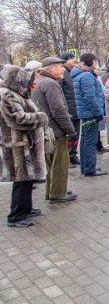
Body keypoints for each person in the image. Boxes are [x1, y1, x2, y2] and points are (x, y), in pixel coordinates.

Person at [0, 65, 48, 227]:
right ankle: (16, 216)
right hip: (18, 146)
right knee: (21, 180)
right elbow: (17, 118)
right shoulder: (7, 95)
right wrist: (40, 117)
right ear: (17, 80)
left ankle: (26, 209)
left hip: (27, 143)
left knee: (28, 178)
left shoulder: (17, 93)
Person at [31, 57, 78, 204]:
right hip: (55, 131)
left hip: (45, 129)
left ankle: (52, 191)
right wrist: (70, 129)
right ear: (50, 68)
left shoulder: (38, 81)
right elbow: (58, 110)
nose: (63, 69)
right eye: (60, 66)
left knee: (51, 163)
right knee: (59, 163)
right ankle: (57, 193)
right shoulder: (51, 84)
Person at [72, 53, 107, 177]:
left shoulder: (79, 74)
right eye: (95, 61)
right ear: (91, 62)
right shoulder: (86, 76)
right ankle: (90, 168)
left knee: (85, 140)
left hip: (85, 112)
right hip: (90, 113)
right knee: (90, 141)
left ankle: (86, 167)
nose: (96, 64)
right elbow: (90, 97)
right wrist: (98, 113)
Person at [59, 52, 80, 167]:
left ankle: (73, 155)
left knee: (76, 134)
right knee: (69, 135)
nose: (73, 61)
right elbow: (60, 93)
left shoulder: (73, 73)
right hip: (68, 110)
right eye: (71, 59)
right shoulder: (62, 74)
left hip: (76, 109)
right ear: (65, 61)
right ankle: (66, 158)